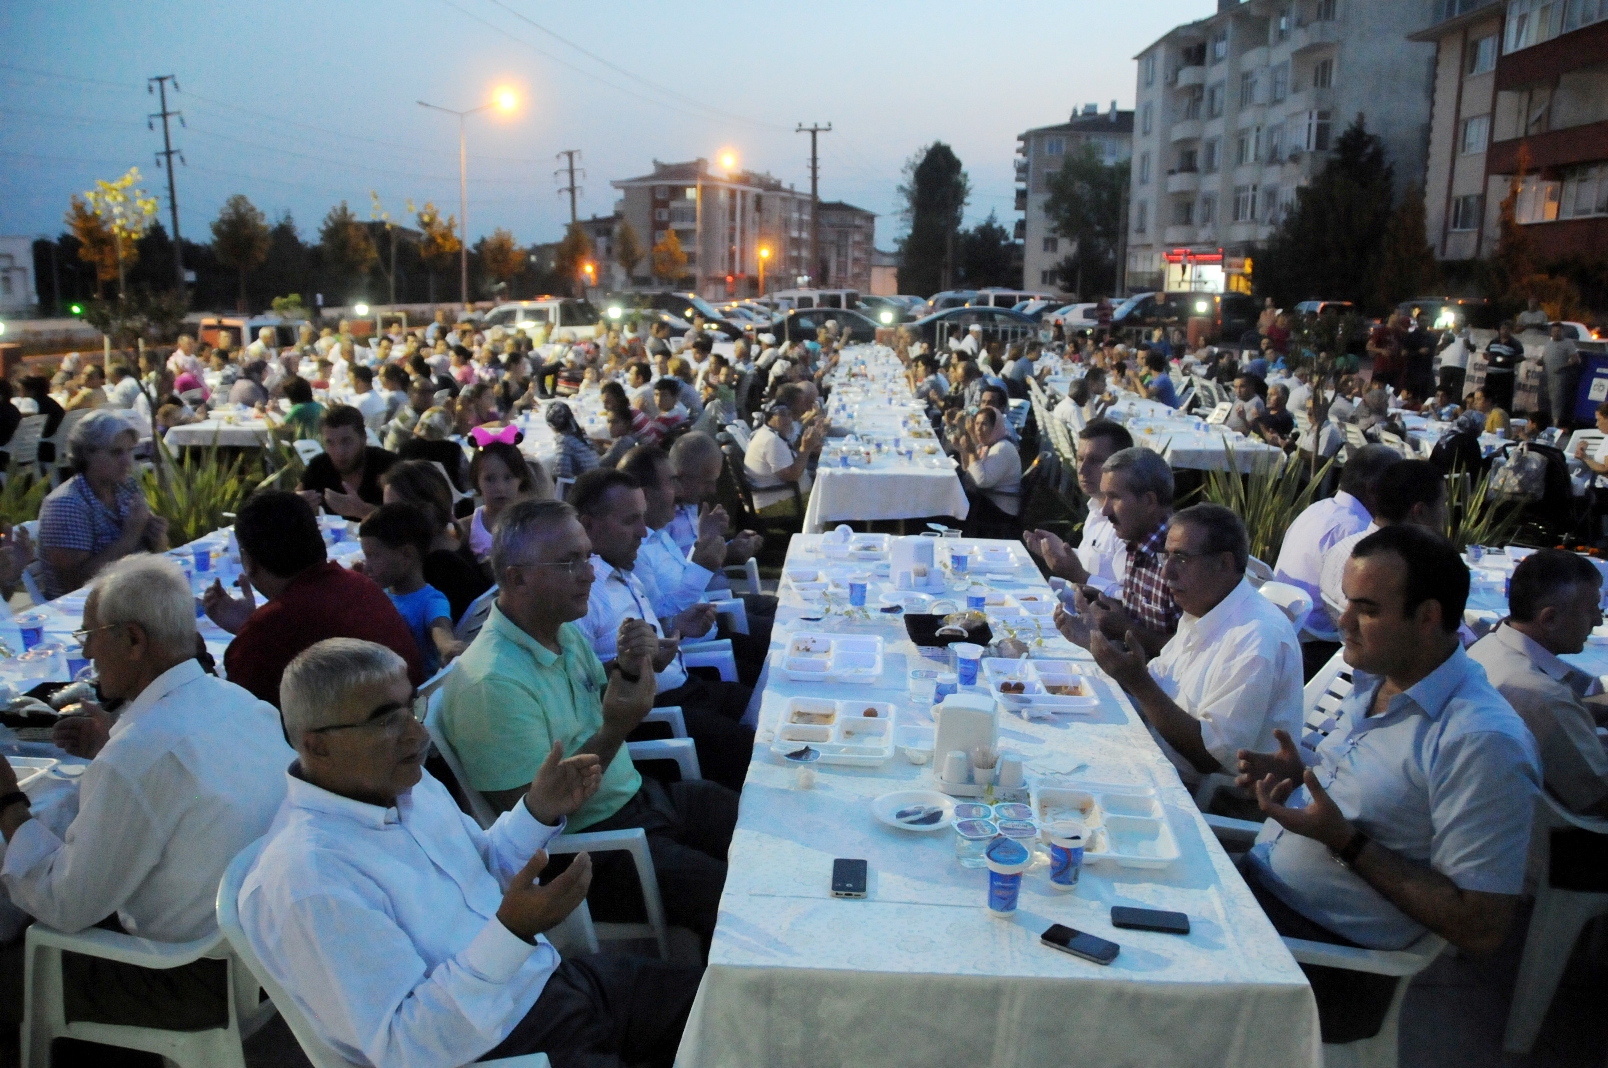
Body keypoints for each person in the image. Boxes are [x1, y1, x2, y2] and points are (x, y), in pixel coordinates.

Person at [241, 638, 701, 1067]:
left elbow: (483, 865)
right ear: (315, 745)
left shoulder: (405, 788)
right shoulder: (309, 878)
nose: (417, 735)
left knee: (736, 1010)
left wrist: (537, 810)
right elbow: (405, 1046)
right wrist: (513, 931)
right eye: (386, 719)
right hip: (504, 1052)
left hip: (554, 985)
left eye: (411, 707)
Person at [1236, 525, 1540, 1043]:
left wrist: (1345, 842)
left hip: (1321, 965)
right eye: (1347, 603)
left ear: (1428, 618)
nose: (1343, 622)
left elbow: (1483, 927)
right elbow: (1382, 790)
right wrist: (1303, 770)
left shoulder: (1480, 741)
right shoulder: (1381, 678)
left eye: (1369, 610)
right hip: (1258, 902)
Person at [0, 556, 292, 1031]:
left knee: (16, 963)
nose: (88, 656)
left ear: (133, 640)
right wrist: (113, 745)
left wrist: (8, 802)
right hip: (270, 958)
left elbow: (63, 905)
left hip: (190, 981)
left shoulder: (138, 755)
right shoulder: (240, 702)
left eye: (90, 638)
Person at [442, 500, 739, 943]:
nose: (590, 573)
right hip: (595, 851)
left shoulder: (560, 630)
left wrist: (631, 669)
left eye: (587, 556)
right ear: (517, 577)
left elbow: (593, 708)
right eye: (569, 562)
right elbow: (531, 822)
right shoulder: (490, 683)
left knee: (760, 829)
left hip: (639, 800)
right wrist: (617, 726)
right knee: (736, 902)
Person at [1082, 504, 1301, 788]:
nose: (1166, 572)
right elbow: (1158, 684)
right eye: (1166, 556)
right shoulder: (1203, 606)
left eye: (1182, 558)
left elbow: (1209, 757)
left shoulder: (1256, 637)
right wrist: (1090, 644)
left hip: (1199, 792)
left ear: (1224, 563)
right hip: (1152, 759)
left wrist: (1136, 682)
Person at [571, 469, 754, 791]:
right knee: (757, 748)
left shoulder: (622, 567)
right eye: (630, 521)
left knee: (773, 704)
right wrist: (634, 668)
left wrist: (677, 629)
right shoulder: (583, 594)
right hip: (657, 716)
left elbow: (646, 636)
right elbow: (579, 692)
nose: (644, 531)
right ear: (588, 525)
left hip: (685, 688)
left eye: (642, 518)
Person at [202, 491, 423, 706]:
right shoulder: (358, 584)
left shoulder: (265, 634)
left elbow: (242, 721)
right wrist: (251, 625)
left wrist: (250, 632)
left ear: (248, 561)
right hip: (409, 717)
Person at [1469, 550, 1608, 818]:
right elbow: (1597, 796)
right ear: (1550, 619)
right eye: (1591, 610)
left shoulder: (1490, 644)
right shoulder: (1542, 695)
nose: (1599, 621)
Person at [1057, 447, 1180, 657]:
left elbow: (1189, 654)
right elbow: (1144, 618)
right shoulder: (1136, 541)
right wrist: (1103, 601)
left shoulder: (1178, 559)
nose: (1105, 511)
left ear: (1149, 501)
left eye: (1114, 498)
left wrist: (1125, 629)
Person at [37, 410, 168, 599]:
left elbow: (153, 553)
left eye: (129, 451)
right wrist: (130, 536)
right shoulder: (67, 503)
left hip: (130, 595)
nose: (127, 462)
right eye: (116, 453)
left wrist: (156, 537)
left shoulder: (126, 487)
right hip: (85, 610)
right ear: (86, 454)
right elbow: (74, 585)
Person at [1272, 444, 1399, 637]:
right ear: (1374, 489)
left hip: (1285, 623)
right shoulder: (1355, 530)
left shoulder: (1317, 509)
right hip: (1314, 640)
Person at [1317, 459, 1445, 635]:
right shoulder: (1404, 568)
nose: (1445, 513)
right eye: (1443, 504)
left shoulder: (1341, 548)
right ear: (1420, 512)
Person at [1023, 419, 1134, 596]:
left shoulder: (1129, 524)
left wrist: (1079, 575)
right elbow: (1096, 562)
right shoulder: (1096, 507)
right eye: (1080, 459)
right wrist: (1057, 552)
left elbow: (1129, 599)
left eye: (1095, 461)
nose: (1082, 469)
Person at [359, 503, 465, 676]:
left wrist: (447, 644)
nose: (367, 566)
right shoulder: (380, 593)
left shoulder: (431, 600)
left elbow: (440, 626)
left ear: (406, 554)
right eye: (365, 556)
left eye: (373, 556)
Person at [381, 461, 492, 622]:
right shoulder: (454, 544)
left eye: (393, 512)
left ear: (424, 511)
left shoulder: (438, 567)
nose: (387, 520)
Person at [298, 404, 399, 521]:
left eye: (346, 441)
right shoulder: (319, 466)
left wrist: (362, 510)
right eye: (330, 443)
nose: (339, 451)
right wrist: (299, 504)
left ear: (363, 439)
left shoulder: (388, 465)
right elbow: (298, 497)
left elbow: (410, 518)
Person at [463, 441, 545, 560]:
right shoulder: (468, 527)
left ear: (521, 478)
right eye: (490, 479)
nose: (500, 487)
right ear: (477, 481)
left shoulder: (533, 525)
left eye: (508, 478)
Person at [743, 401, 824, 515]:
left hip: (783, 496)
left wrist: (808, 449)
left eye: (789, 414)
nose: (788, 420)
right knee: (828, 505)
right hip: (775, 503)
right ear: (769, 417)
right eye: (782, 414)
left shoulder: (769, 434)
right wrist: (806, 449)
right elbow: (791, 476)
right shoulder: (771, 440)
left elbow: (787, 460)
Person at [956, 406, 1022, 534]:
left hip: (1000, 507)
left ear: (995, 427)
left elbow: (981, 481)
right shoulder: (988, 445)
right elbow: (968, 471)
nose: (978, 429)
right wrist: (964, 450)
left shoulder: (1003, 448)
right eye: (977, 424)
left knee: (954, 502)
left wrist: (971, 452)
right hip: (987, 498)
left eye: (984, 424)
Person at [546, 402, 601, 484]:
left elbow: (562, 475)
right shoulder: (580, 435)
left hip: (586, 487)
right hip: (597, 481)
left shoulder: (564, 441)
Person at [1541, 321, 1581, 429]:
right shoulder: (1549, 343)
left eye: (1558, 331)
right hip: (1547, 377)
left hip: (1560, 377)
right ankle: (1547, 424)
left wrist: (1562, 367)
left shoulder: (1568, 343)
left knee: (1557, 402)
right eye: (1554, 331)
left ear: (1563, 332)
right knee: (1546, 401)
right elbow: (1544, 356)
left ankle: (1556, 425)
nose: (1556, 333)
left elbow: (1575, 359)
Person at [1483, 322, 1523, 413]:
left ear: (1510, 331)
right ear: (1499, 330)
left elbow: (1521, 357)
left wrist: (1508, 359)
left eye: (1507, 329)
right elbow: (1486, 352)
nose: (1504, 331)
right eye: (1503, 329)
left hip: (1505, 375)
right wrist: (1487, 356)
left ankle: (1504, 416)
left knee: (1504, 399)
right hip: (1491, 374)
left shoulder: (1515, 343)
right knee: (1489, 397)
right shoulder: (1493, 341)